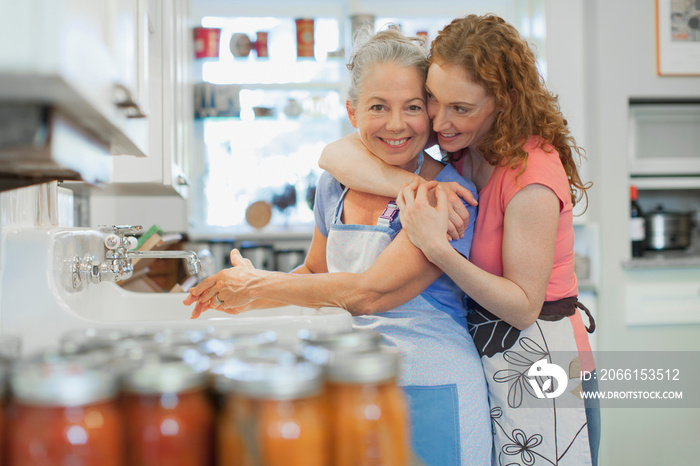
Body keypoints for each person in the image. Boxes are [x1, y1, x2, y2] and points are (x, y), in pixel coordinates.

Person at [185, 28, 492, 466]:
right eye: (378, 107)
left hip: (434, 387)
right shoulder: (334, 186)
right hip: (355, 386)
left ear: (431, 113)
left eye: (412, 108)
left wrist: (259, 285)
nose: (396, 124)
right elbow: (314, 273)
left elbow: (368, 293)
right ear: (352, 112)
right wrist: (240, 297)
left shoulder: (446, 195)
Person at [318, 14, 599, 466]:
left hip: (540, 363)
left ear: (503, 102)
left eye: (460, 108)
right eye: (433, 100)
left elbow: (523, 306)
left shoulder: (532, 180)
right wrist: (411, 190)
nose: (440, 122)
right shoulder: (467, 151)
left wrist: (438, 249)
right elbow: (335, 155)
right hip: (489, 355)